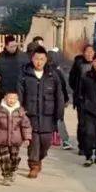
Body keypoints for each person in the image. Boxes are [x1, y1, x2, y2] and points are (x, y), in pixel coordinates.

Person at [18, 48, 66, 179]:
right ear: (32, 59)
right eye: (36, 59)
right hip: (30, 115)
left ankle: (39, 159)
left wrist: (59, 114)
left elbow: (59, 96)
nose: (39, 62)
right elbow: (20, 94)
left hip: (47, 115)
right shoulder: (24, 74)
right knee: (33, 142)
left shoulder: (52, 75)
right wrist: (20, 111)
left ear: (46, 60)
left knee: (45, 143)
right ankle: (33, 165)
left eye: (42, 59)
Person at [0, 91, 33, 186]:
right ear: (5, 98)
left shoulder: (20, 111)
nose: (11, 100)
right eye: (9, 98)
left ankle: (13, 169)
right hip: (2, 140)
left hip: (16, 140)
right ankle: (6, 176)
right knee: (5, 159)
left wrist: (27, 138)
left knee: (14, 158)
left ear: (17, 99)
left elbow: (26, 126)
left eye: (14, 98)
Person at [46, 47, 74, 150]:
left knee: (49, 119)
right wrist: (66, 99)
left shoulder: (43, 70)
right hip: (57, 100)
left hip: (48, 100)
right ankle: (64, 141)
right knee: (59, 119)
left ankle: (53, 137)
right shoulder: (58, 72)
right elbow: (63, 87)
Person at [0, 34, 28, 99]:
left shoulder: (23, 57)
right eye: (11, 46)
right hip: (4, 92)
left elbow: (28, 73)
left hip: (19, 91)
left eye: (15, 46)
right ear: (6, 46)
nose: (14, 48)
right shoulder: (0, 58)